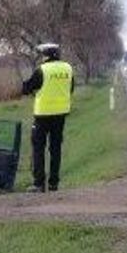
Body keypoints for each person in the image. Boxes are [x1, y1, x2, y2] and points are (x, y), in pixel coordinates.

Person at [21, 43, 74, 192]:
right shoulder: (68, 69)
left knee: (38, 148)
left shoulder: (42, 70)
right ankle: (54, 183)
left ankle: (39, 184)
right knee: (55, 148)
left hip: (43, 114)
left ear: (46, 56)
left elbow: (27, 88)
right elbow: (71, 88)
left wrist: (25, 85)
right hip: (61, 114)